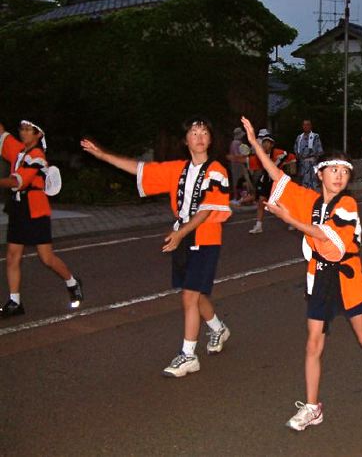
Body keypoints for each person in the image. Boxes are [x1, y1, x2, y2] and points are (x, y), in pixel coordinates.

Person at [241, 116, 362, 431]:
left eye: (345, 171)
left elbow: (329, 239)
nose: (340, 176)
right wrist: (254, 144)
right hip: (319, 277)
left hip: (347, 278)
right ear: (320, 173)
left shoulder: (348, 204)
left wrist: (290, 219)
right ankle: (313, 407)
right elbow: (278, 176)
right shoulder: (310, 200)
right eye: (334, 170)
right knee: (313, 343)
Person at [81, 116, 232, 376]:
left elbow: (206, 210)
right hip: (184, 235)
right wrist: (104, 155)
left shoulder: (216, 169)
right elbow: (141, 169)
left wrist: (180, 232)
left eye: (204, 132)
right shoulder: (177, 169)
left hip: (205, 238)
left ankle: (188, 356)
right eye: (193, 133)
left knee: (189, 295)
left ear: (210, 138)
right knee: (194, 293)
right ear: (186, 141)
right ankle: (218, 328)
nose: (199, 137)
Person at [0, 120, 84, 318]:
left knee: (46, 258)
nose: (23, 132)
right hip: (19, 209)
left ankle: (72, 281)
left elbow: (18, 182)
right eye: (22, 129)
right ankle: (15, 302)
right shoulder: (17, 150)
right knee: (12, 255)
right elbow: (2, 133)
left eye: (29, 130)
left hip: (35, 210)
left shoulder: (38, 156)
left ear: (38, 135)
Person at [248, 129, 295, 234]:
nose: (265, 144)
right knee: (261, 202)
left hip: (278, 180)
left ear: (272, 144)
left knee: (284, 203)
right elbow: (254, 165)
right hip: (266, 179)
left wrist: (291, 167)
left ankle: (292, 221)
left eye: (268, 142)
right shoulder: (259, 155)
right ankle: (258, 225)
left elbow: (291, 157)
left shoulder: (279, 153)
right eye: (264, 142)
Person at [294, 119, 323, 190]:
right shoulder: (299, 137)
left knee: (314, 184)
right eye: (304, 125)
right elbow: (296, 149)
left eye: (308, 124)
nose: (306, 126)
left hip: (312, 164)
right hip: (302, 165)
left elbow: (319, 151)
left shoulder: (315, 136)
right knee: (303, 185)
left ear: (311, 126)